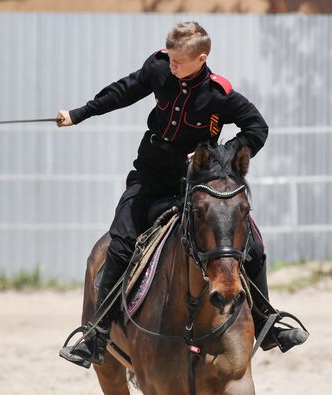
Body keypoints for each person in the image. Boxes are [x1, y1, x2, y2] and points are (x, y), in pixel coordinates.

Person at [58, 21, 308, 368]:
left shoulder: (220, 95)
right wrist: (79, 114)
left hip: (195, 184)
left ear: (200, 58)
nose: (172, 66)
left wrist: (220, 156)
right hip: (149, 176)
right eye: (170, 59)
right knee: (120, 241)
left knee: (253, 243)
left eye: (178, 61)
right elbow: (124, 90)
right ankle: (97, 332)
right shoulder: (159, 67)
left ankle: (267, 322)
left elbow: (257, 128)